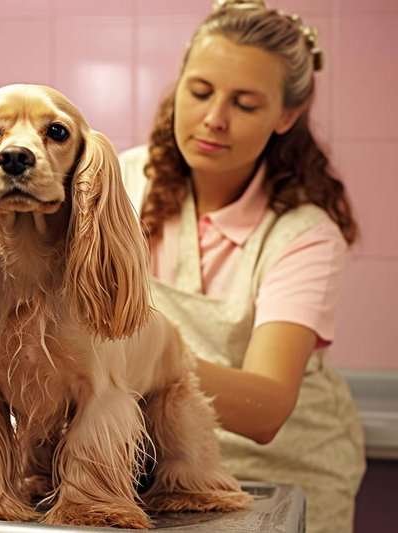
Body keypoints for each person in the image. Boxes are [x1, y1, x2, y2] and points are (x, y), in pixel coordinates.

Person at [119, 1, 365, 532]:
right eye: (200, 91)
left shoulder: (302, 234)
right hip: (158, 471)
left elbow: (266, 407)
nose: (214, 119)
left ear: (286, 117)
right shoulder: (119, 183)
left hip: (283, 478)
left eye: (246, 104)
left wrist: (132, 353)